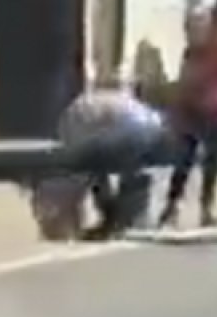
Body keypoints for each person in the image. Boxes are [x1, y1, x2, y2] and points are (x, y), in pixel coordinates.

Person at [29, 78, 171, 242]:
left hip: (109, 124)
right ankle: (122, 221)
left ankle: (111, 222)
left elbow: (88, 169)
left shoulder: (71, 123)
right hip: (123, 125)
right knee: (116, 173)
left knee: (93, 171)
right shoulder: (148, 124)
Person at [158, 0, 217, 228]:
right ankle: (205, 210)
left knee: (184, 159)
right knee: (211, 161)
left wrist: (179, 103)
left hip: (193, 105)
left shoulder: (200, 40)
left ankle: (171, 208)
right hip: (216, 108)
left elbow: (188, 72)